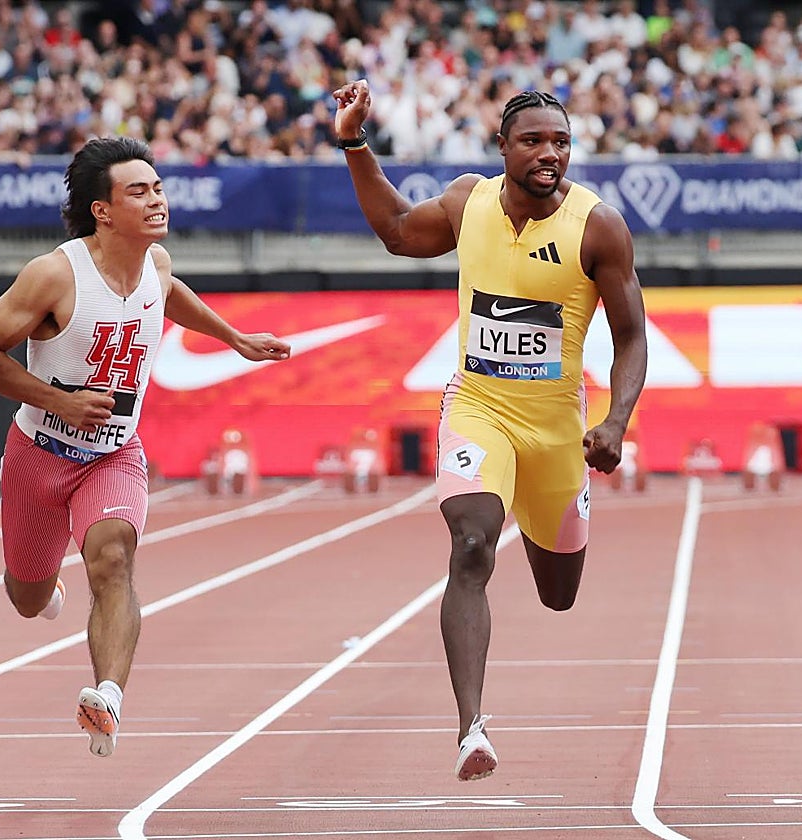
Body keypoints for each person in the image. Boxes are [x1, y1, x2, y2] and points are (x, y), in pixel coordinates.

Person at [331, 81, 648, 780]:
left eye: (560, 142)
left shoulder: (599, 227)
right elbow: (395, 232)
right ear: (502, 147)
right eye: (533, 140)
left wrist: (614, 422)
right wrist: (354, 142)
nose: (549, 153)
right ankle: (471, 727)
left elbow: (631, 336)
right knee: (471, 545)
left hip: (557, 429)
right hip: (479, 408)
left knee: (559, 592)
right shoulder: (467, 202)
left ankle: (549, 524)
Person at [0, 137, 291, 757]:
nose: (156, 199)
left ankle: (107, 695)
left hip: (114, 453)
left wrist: (235, 338)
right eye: (138, 191)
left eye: (158, 187)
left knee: (113, 559)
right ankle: (45, 584)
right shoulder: (54, 275)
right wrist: (58, 400)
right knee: (27, 599)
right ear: (102, 210)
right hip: (40, 452)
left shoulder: (156, 263)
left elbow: (171, 294)